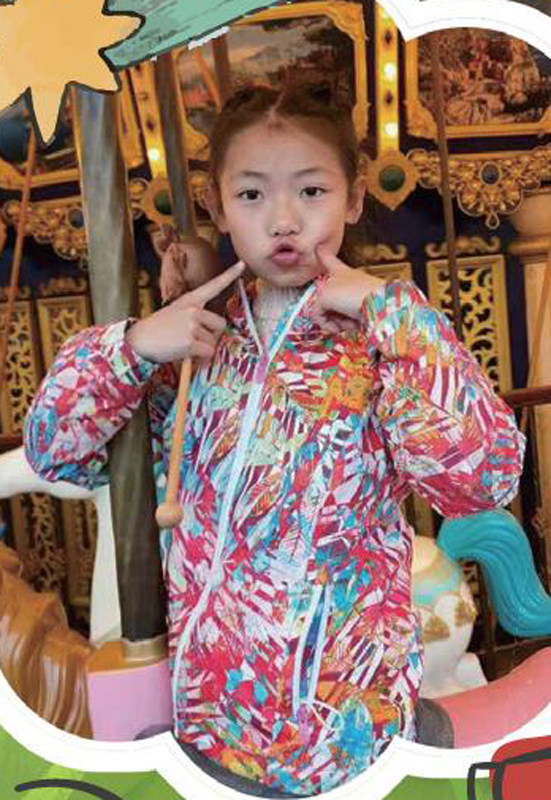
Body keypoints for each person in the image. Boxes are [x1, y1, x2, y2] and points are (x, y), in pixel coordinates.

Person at [24, 84, 525, 797]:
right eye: (252, 195)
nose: (283, 220)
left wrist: (393, 312)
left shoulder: (378, 339)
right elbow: (55, 449)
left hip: (344, 724)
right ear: (217, 205)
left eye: (312, 191)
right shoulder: (199, 342)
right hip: (211, 715)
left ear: (353, 199)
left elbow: (480, 479)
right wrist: (134, 345)